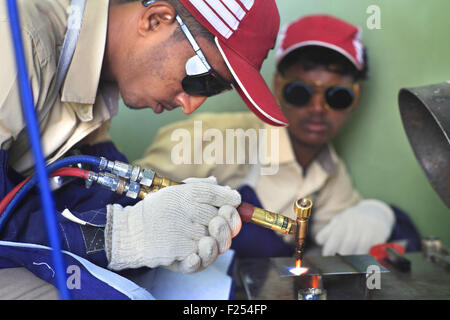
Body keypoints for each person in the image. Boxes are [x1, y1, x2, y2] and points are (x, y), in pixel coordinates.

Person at [0, 0, 284, 299]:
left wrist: (170, 227)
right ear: (155, 19)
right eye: (203, 82)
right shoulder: (18, 37)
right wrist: (122, 237)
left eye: (214, 90)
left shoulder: (96, 79)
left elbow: (84, 191)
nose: (189, 106)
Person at [135, 15, 421, 259]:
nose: (318, 109)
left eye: (338, 96)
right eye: (301, 92)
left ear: (355, 100)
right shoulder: (208, 138)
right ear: (277, 85)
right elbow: (123, 205)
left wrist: (380, 215)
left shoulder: (330, 173)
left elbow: (341, 239)